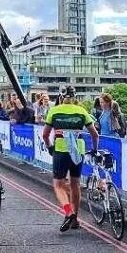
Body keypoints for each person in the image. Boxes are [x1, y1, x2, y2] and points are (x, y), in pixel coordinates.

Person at [42, 86, 99, 232]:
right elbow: (95, 134)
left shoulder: (54, 111)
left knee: (58, 184)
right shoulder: (81, 111)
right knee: (75, 184)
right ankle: (75, 220)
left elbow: (45, 135)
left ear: (61, 97)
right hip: (78, 150)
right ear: (75, 97)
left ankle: (68, 212)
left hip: (60, 149)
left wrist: (49, 147)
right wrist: (94, 149)